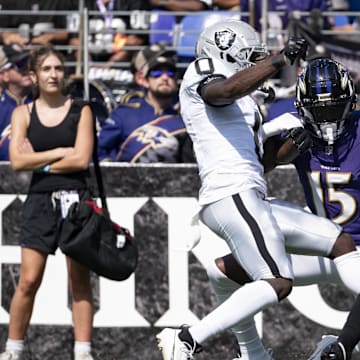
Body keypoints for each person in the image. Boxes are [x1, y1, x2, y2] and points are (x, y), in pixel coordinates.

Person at [155, 19, 360, 360]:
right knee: (278, 281)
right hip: (232, 192)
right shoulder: (205, 71)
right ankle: (189, 339)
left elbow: (257, 159)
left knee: (223, 269)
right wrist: (278, 61)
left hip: (257, 196)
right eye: (249, 57)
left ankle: (253, 354)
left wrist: (285, 152)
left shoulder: (249, 102)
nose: (255, 65)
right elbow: (224, 92)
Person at [206, 58, 360, 360]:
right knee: (220, 271)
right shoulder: (291, 125)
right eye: (319, 110)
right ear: (303, 107)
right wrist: (278, 153)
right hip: (325, 249)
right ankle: (253, 353)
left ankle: (340, 347)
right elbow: (249, 171)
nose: (326, 120)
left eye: (333, 108)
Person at [0, 45, 95, 360]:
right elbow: (16, 161)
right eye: (46, 69)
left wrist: (36, 160)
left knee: (79, 281)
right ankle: (13, 350)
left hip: (77, 201)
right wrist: (56, 154)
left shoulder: (81, 110)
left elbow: (80, 160)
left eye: (58, 68)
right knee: (27, 280)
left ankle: (83, 352)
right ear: (33, 76)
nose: (53, 75)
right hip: (39, 202)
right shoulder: (21, 113)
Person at [97, 45, 195, 163]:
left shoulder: (184, 119)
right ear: (143, 79)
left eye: (170, 73)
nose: (164, 78)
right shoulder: (124, 115)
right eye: (157, 73)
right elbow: (100, 151)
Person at [68, 0, 151, 67]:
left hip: (123, 60)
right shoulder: (78, 2)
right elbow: (74, 39)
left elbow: (137, 39)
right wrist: (89, 64)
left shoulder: (136, 2)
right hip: (88, 61)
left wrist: (111, 63)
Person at [0, 44, 32, 160]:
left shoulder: (44, 103)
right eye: (20, 64)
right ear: (4, 75)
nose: (27, 69)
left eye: (28, 63)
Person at [0, 0, 73, 48]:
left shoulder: (61, 2)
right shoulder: (10, 2)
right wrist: (8, 36)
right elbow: (2, 31)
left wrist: (50, 36)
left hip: (50, 54)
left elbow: (70, 33)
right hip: (17, 57)